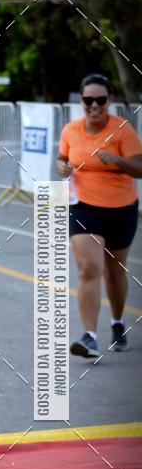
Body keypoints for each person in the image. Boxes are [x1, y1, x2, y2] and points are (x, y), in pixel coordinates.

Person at [58, 73, 142, 357]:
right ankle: (89, 336)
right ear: (81, 100)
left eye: (100, 100)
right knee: (88, 269)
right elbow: (62, 157)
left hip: (121, 209)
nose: (94, 105)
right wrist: (62, 168)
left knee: (114, 272)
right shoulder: (71, 129)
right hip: (84, 207)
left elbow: (139, 168)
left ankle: (117, 323)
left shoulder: (122, 130)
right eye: (88, 99)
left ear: (111, 100)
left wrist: (117, 160)